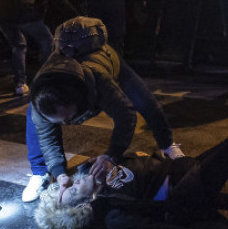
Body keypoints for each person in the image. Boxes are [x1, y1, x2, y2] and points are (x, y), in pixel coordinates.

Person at [33, 107, 228, 229]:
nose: (76, 181)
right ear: (84, 206)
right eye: (75, 190)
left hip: (181, 169)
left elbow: (131, 162)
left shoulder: (93, 171)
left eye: (71, 183)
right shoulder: (115, 216)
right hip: (185, 189)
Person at [21, 18, 184, 202]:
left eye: (69, 117)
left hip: (109, 62)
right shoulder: (40, 101)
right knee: (35, 122)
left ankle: (168, 145)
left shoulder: (100, 83)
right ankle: (40, 172)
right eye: (59, 120)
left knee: (146, 102)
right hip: (58, 92)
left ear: (79, 100)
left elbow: (126, 115)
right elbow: (48, 137)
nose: (67, 124)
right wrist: (59, 173)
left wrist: (111, 155)